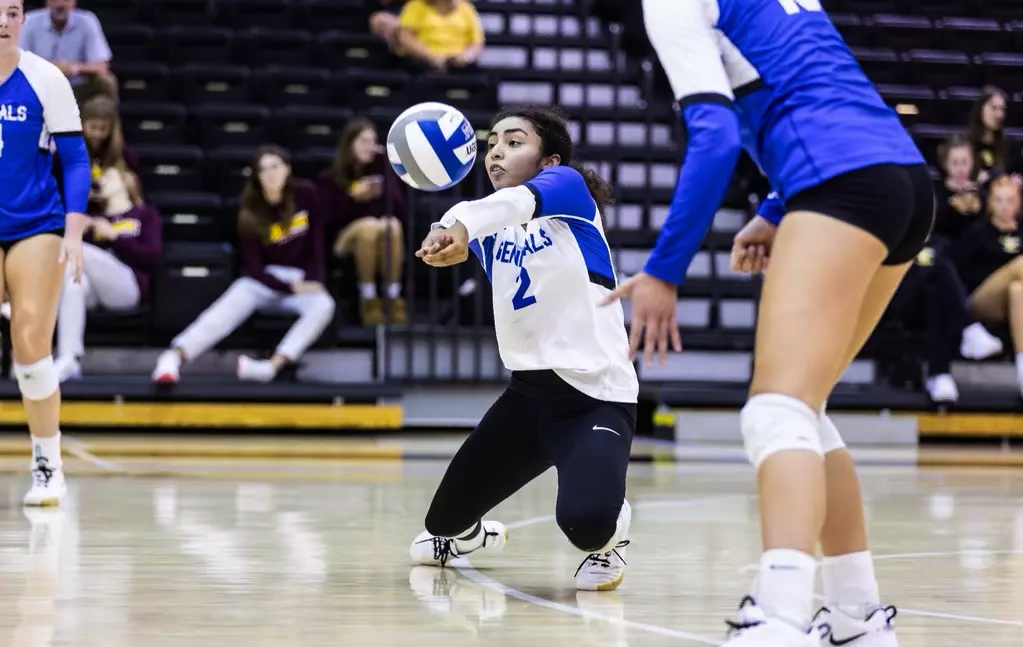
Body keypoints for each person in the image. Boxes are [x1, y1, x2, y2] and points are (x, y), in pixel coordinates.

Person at [618, 2, 937, 645]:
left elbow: (716, 138)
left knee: (775, 412)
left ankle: (779, 620)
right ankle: (856, 621)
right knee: (805, 410)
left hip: (841, 183)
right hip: (902, 181)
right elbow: (823, 86)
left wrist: (663, 272)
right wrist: (774, 204)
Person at [407, 106, 637, 592]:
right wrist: (446, 235)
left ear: (549, 161)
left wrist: (461, 226)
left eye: (513, 143)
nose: (496, 153)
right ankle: (474, 536)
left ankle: (609, 525)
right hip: (527, 398)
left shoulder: (570, 192)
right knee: (437, 530)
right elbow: (466, 218)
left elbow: (499, 208)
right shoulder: (489, 225)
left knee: (586, 523)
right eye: (492, 145)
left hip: (594, 395)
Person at [0, 0, 89, 506]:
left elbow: (75, 158)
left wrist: (73, 231)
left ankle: (47, 466)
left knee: (30, 337)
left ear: (23, 20)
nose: (3, 23)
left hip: (35, 223)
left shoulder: (45, 77)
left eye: (12, 12)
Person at [152, 146, 335, 384]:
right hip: (265, 280)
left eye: (275, 167)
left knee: (324, 305)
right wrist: (289, 288)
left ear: (287, 169)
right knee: (233, 300)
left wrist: (313, 281)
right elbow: (253, 267)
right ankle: (174, 357)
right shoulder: (250, 210)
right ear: (257, 177)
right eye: (263, 169)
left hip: (300, 278)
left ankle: (271, 366)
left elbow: (317, 243)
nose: (270, 174)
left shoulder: (307, 194)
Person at [55, 96, 163, 382]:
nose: (101, 180)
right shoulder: (97, 218)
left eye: (111, 176)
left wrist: (115, 237)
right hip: (97, 283)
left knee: (75, 249)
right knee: (73, 281)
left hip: (128, 286)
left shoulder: (145, 215)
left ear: (130, 179)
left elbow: (152, 257)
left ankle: (19, 307)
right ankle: (69, 359)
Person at [316, 118, 407, 326]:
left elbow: (401, 211)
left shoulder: (383, 170)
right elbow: (323, 218)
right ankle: (368, 299)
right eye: (363, 141)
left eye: (373, 141)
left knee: (391, 225)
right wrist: (351, 196)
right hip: (342, 240)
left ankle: (393, 297)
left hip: (379, 234)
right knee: (368, 226)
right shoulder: (331, 177)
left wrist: (387, 168)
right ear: (350, 144)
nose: (370, 147)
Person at [952, 176, 1023, 396]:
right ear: (990, 202)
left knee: (1017, 290)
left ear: (1019, 203)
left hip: (1015, 303)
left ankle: (1022, 368)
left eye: (1010, 201)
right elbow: (957, 271)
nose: (1004, 207)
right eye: (999, 200)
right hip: (981, 301)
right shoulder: (978, 232)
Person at [18, 0, 116, 104]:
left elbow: (102, 65)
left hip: (77, 87)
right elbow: (17, 60)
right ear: (47, 2)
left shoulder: (88, 21)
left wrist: (76, 68)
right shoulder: (30, 21)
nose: (60, 5)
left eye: (66, 0)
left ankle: (107, 119)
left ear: (74, 2)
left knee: (106, 80)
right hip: (39, 86)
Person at [396, 0, 484, 73]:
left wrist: (466, 57)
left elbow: (476, 42)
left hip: (458, 61)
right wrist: (430, 57)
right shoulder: (415, 6)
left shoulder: (466, 8)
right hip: (425, 59)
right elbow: (406, 38)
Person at [933, 135, 984, 244]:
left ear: (972, 162)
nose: (960, 169)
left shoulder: (981, 192)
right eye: (955, 163)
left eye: (964, 162)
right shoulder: (936, 191)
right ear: (945, 163)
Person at [966, 86, 1020, 185]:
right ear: (980, 109)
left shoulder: (1011, 145)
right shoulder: (966, 143)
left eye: (1002, 109)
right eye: (994, 108)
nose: (999, 115)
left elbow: (1017, 175)